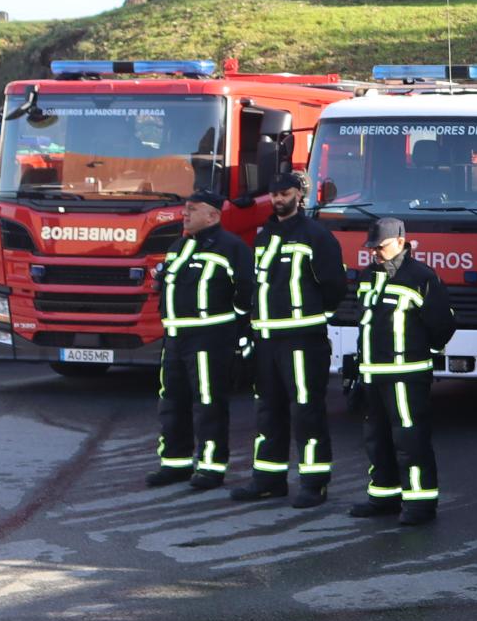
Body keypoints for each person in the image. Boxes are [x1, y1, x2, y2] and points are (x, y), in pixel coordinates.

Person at [236, 171, 349, 506]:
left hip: (302, 340)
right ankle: (268, 480)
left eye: (284, 193)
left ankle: (314, 484)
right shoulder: (264, 236)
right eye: (274, 194)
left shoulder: (316, 235)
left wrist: (311, 317)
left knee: (306, 412)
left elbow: (334, 286)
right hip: (266, 340)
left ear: (299, 195)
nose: (277, 199)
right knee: (267, 411)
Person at [351, 216, 459, 527]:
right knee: (377, 439)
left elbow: (443, 324)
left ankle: (420, 504)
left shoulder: (421, 276)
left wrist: (421, 353)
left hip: (406, 374)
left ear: (401, 242)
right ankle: (383, 497)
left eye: (381, 247)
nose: (375, 253)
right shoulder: (368, 275)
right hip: (372, 373)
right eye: (372, 248)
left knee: (410, 441)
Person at [148, 184, 252, 492]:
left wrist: (236, 331)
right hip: (175, 337)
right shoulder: (179, 246)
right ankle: (174, 463)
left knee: (208, 403)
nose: (185, 214)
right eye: (185, 209)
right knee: (172, 401)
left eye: (192, 210)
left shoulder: (231, 247)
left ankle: (210, 467)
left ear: (212, 215)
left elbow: (247, 291)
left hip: (209, 338)